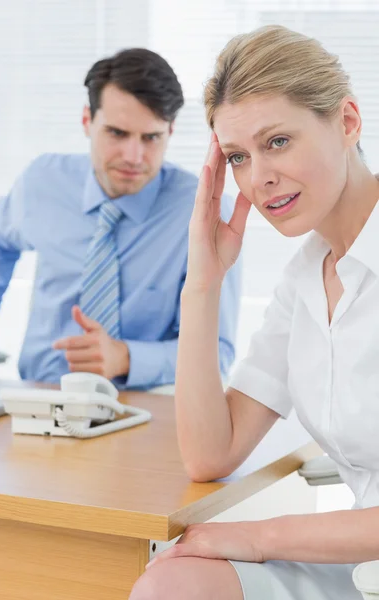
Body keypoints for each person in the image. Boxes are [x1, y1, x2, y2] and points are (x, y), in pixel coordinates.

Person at [129, 24, 379, 599]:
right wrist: (204, 281)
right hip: (362, 568)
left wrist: (257, 536)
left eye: (278, 142)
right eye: (238, 156)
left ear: (346, 122)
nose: (259, 177)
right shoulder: (308, 277)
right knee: (174, 582)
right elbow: (211, 452)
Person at [0, 48, 241, 389]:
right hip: (35, 398)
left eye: (151, 138)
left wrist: (126, 357)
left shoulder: (206, 211)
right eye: (117, 133)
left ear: (171, 131)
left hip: (141, 411)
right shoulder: (42, 182)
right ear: (87, 121)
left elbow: (218, 353)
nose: (133, 157)